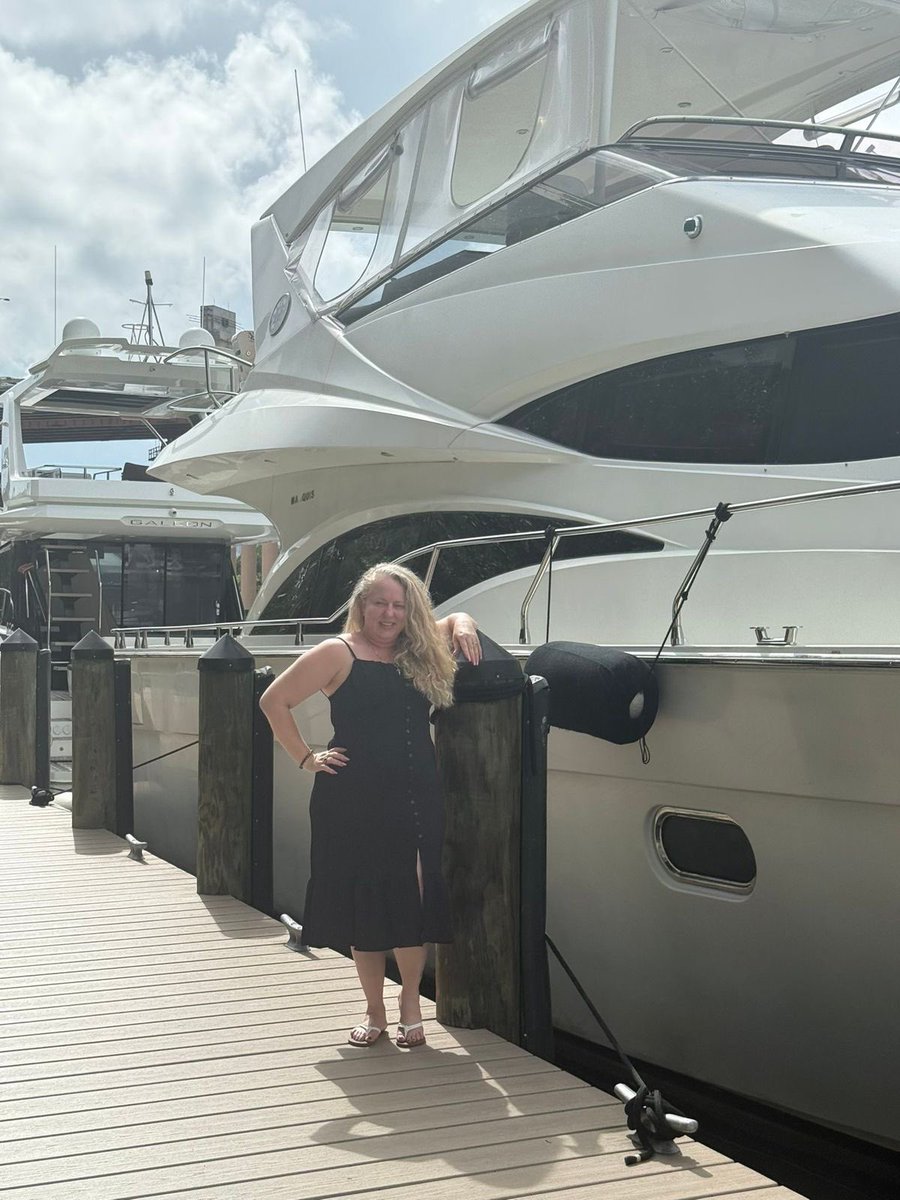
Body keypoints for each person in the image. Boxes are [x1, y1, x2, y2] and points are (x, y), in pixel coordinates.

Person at [259, 562, 481, 1049]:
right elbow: (274, 700)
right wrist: (305, 757)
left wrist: (461, 620)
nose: (389, 612)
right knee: (366, 900)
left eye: (399, 605)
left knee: (412, 893)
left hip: (415, 792)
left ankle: (410, 1003)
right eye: (379, 602)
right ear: (360, 605)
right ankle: (375, 1010)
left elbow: (446, 623)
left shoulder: (414, 650)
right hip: (353, 796)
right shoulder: (337, 652)